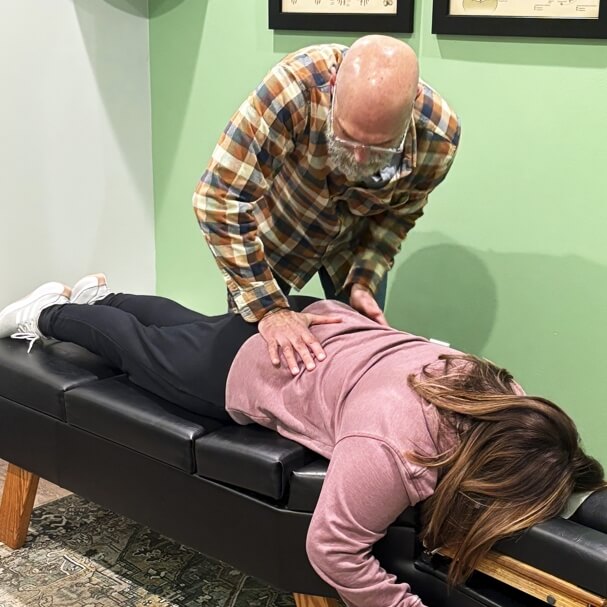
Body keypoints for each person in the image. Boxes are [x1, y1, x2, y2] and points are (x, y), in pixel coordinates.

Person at [0, 275, 603, 607]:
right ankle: (51, 309)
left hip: (314, 319)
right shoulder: (390, 451)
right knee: (137, 349)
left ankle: (101, 291)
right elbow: (333, 552)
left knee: (181, 321)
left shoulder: (499, 389)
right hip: (254, 368)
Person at [193, 35, 461, 375]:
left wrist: (365, 278)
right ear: (334, 87)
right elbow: (218, 197)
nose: (360, 156)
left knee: (358, 363)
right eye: (347, 136)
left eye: (380, 147)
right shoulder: (293, 88)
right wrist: (270, 310)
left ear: (412, 107)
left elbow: (398, 216)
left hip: (352, 249)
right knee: (260, 362)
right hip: (275, 235)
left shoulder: (438, 136)